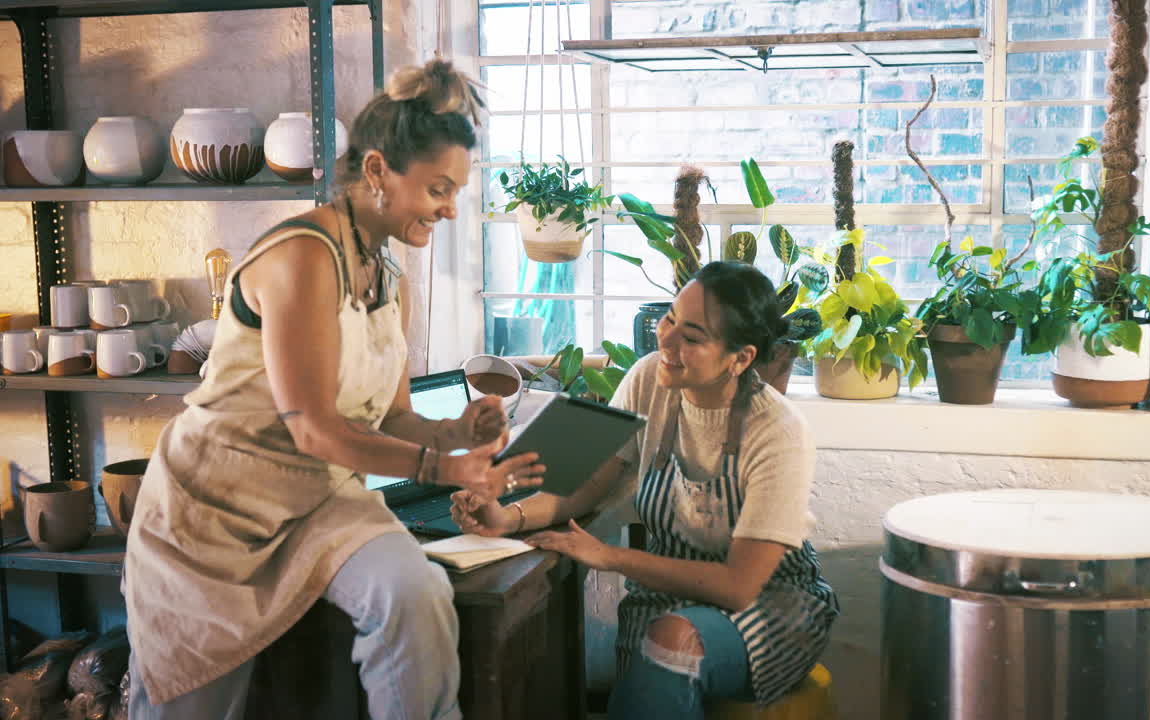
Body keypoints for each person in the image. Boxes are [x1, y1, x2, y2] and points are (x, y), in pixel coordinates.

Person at [123, 59, 545, 720]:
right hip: (214, 516)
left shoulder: (388, 276)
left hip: (318, 501)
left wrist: (460, 433)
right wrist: (443, 466)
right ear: (377, 171)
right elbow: (314, 427)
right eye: (438, 187)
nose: (450, 208)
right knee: (190, 702)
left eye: (457, 190)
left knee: (416, 597)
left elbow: (396, 418)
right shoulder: (301, 259)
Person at [451, 261, 839, 718]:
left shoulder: (778, 431)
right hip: (667, 597)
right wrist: (506, 516)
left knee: (673, 637)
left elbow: (738, 586)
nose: (667, 340)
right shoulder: (648, 378)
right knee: (661, 634)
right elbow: (584, 486)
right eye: (671, 318)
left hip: (771, 607)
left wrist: (610, 557)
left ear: (741, 358)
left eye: (692, 337)